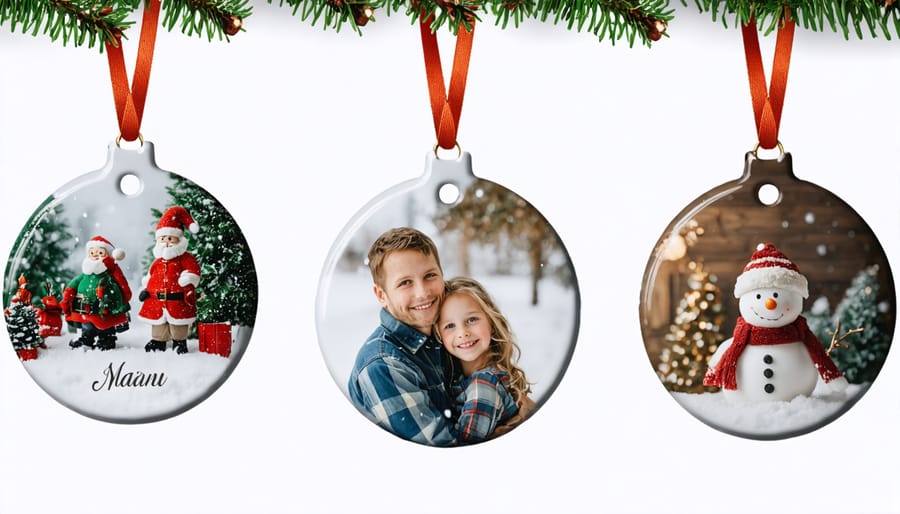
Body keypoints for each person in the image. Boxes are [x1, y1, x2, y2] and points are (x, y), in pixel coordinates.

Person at [347, 227, 457, 446]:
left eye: (430, 275)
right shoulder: (382, 366)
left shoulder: (447, 333)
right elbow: (442, 449)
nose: (422, 292)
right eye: (405, 282)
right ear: (381, 295)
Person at [436, 277, 533, 443]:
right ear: (439, 335)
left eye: (472, 319)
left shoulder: (483, 385)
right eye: (450, 326)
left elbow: (465, 449)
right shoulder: (470, 379)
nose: (462, 333)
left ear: (491, 322)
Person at [138, 206, 201, 355]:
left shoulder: (185, 258)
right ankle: (158, 341)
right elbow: (150, 276)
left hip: (177, 301)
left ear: (179, 239)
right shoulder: (157, 262)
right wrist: (146, 290)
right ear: (158, 241)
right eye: (162, 239)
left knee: (178, 325)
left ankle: (179, 342)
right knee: (158, 324)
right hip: (157, 302)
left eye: (170, 238)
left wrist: (186, 279)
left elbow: (193, 271)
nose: (166, 242)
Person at [60, 236, 132, 351]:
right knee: (87, 325)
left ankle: (106, 339)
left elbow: (121, 283)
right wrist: (69, 293)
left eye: (100, 252)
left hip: (105, 306)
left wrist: (112, 266)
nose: (95, 254)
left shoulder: (109, 273)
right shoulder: (85, 274)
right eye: (92, 252)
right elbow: (74, 283)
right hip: (85, 306)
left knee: (105, 325)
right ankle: (86, 340)